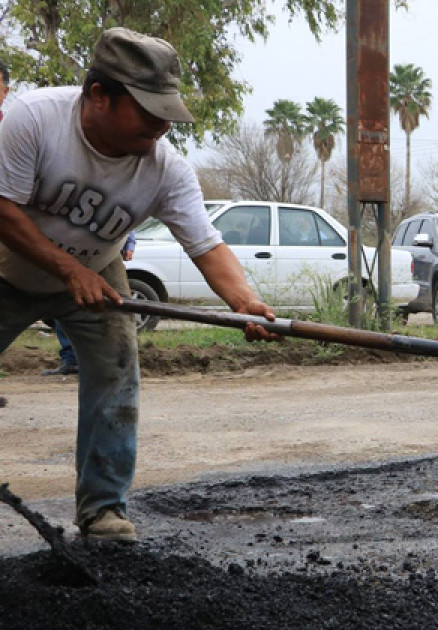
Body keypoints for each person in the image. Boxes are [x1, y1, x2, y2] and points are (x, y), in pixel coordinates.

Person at [0, 27, 279, 541]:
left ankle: (103, 509)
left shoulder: (165, 168)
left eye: (165, 112)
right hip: (8, 265)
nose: (160, 126)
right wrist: (67, 270)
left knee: (116, 374)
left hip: (97, 272)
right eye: (148, 110)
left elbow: (206, 245)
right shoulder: (33, 120)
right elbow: (3, 210)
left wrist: (245, 303)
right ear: (99, 95)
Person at [43, 233, 138, 376]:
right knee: (65, 305)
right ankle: (71, 359)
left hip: (104, 253)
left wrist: (130, 244)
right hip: (64, 250)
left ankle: (113, 366)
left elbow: (126, 218)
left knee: (114, 315)